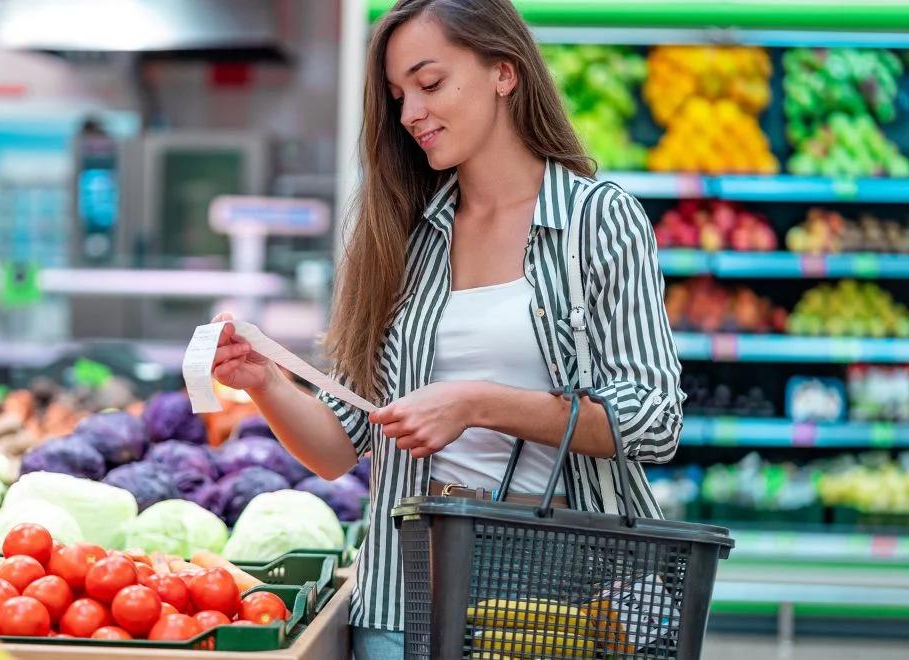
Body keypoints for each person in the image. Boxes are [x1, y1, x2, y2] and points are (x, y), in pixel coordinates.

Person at [209, 0, 683, 657]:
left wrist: (478, 404)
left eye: (430, 85)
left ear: (504, 73)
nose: (409, 115)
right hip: (411, 593)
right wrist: (264, 382)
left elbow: (655, 421)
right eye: (399, 96)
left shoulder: (597, 221)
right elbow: (336, 448)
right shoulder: (399, 233)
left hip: (573, 595)